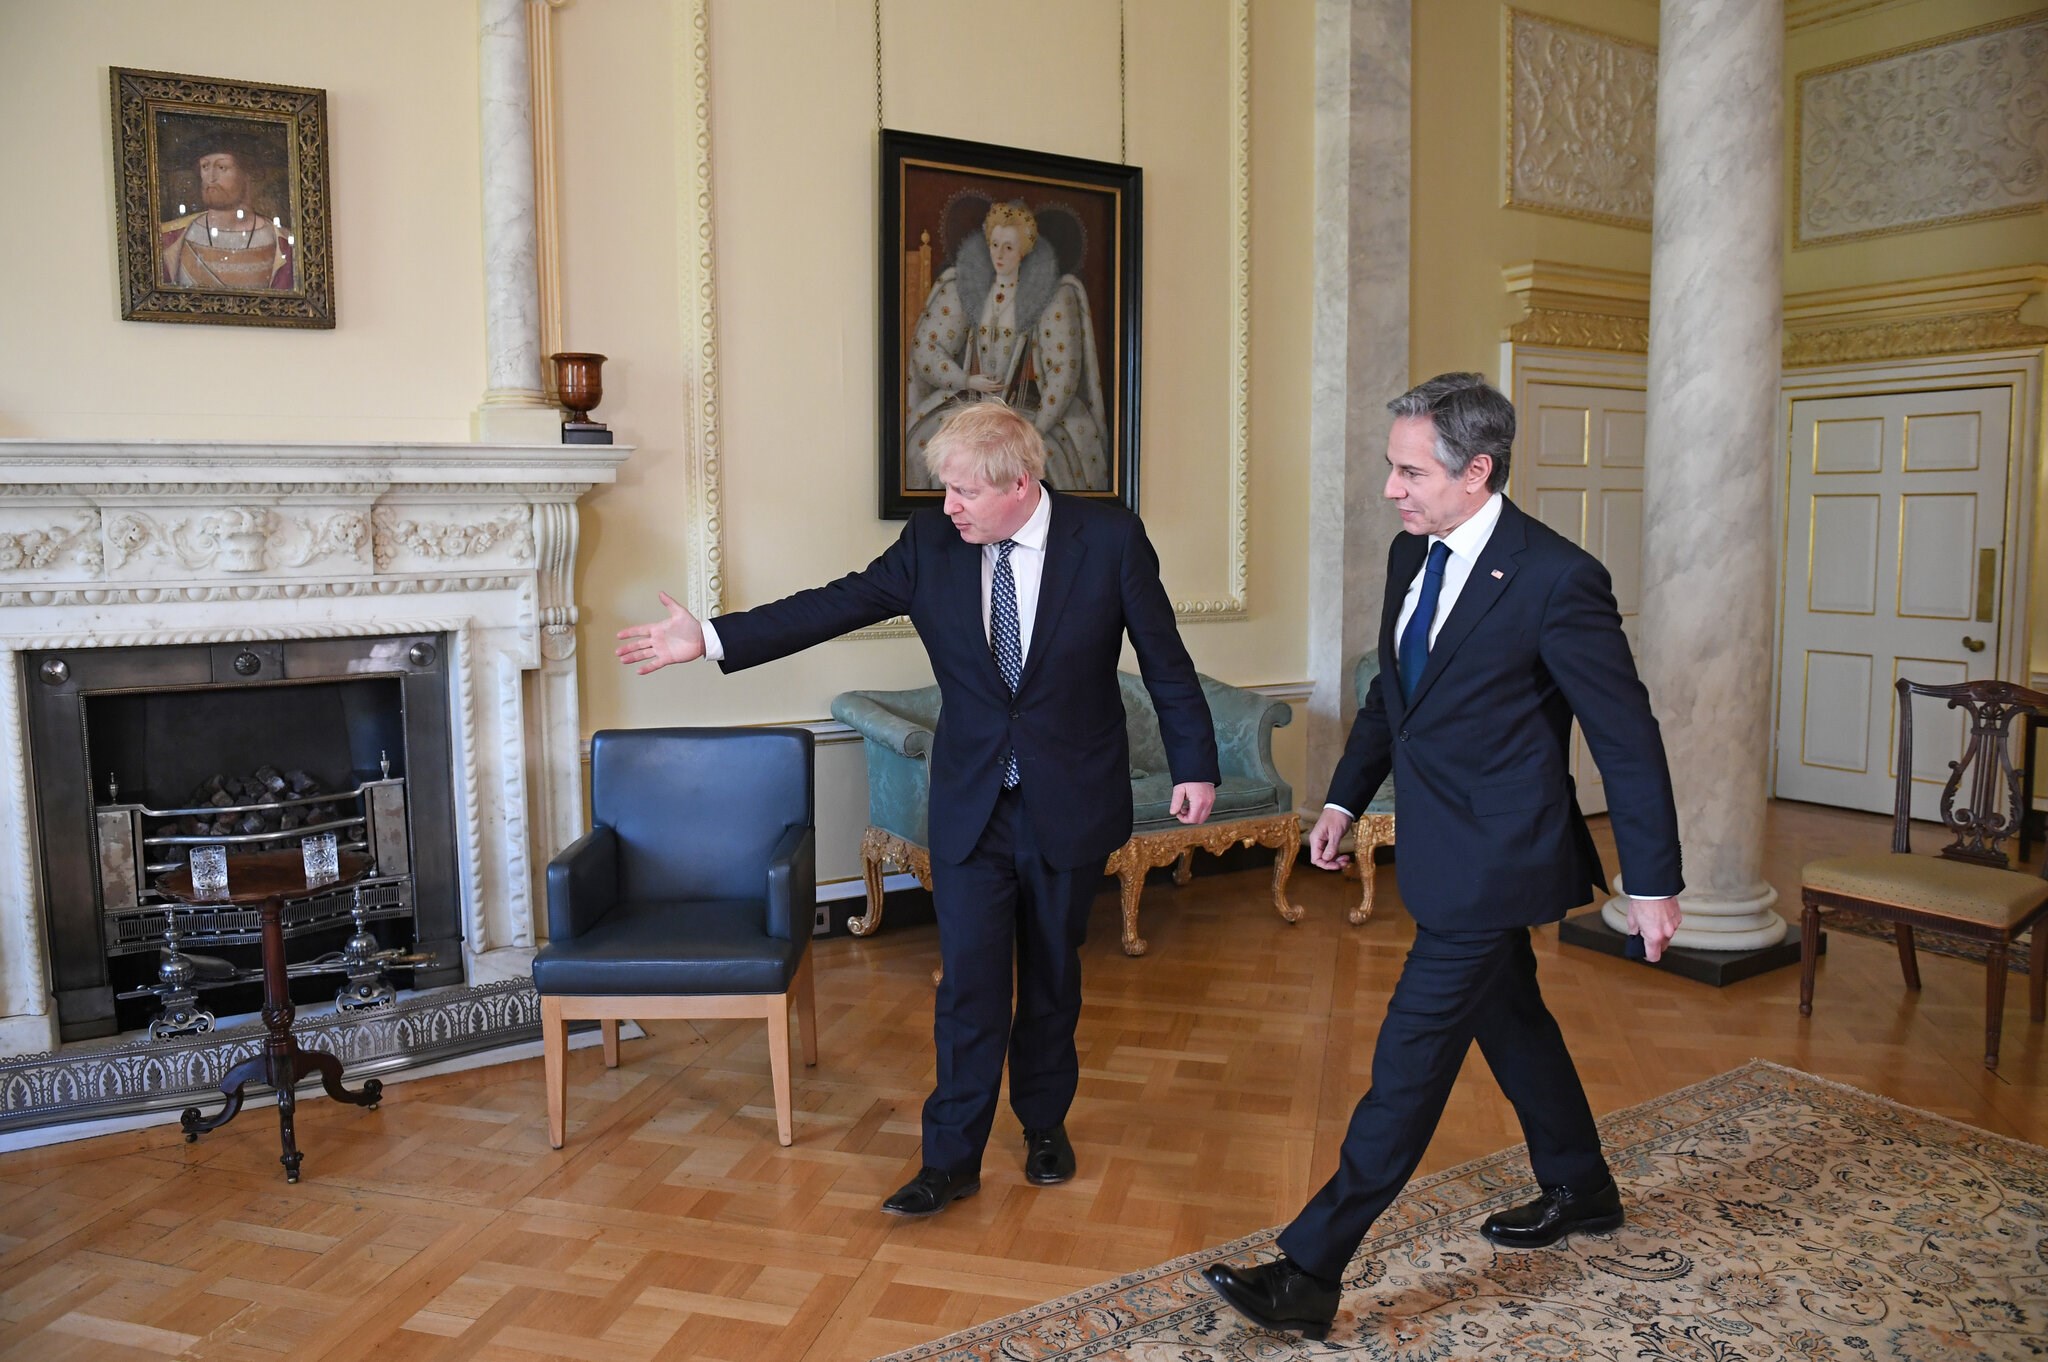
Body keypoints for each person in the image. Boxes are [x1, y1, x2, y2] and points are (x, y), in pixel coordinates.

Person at [616, 400, 1218, 1215]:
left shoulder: (1106, 538)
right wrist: (713, 639)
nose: (950, 508)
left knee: (1051, 975)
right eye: (946, 491)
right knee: (968, 984)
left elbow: (1166, 659)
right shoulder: (933, 544)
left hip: (1069, 800)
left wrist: (1195, 764)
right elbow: (835, 602)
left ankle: (1044, 1124)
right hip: (973, 805)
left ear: (1020, 482)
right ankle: (951, 1160)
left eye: (965, 492)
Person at [1202, 373, 1684, 1340]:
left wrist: (1656, 878)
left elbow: (1625, 734)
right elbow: (1395, 697)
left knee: (1410, 1061)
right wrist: (1343, 795)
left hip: (1501, 855)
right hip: (1438, 838)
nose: (1392, 489)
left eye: (1409, 470)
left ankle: (1309, 1270)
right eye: (1392, 467)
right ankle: (1581, 1186)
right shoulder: (1408, 553)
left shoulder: (1558, 578)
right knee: (1513, 1021)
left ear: (1477, 471)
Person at [905, 200, 1109, 493]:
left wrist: (1036, 428)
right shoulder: (964, 289)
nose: (999, 254)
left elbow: (1063, 373)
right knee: (922, 447)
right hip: (971, 407)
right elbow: (927, 349)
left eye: (1009, 248)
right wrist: (965, 379)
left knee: (1036, 464)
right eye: (994, 244)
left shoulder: (1052, 298)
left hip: (1026, 410)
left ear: (1024, 251)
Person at [158, 134, 294, 291]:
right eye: (205, 167)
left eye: (222, 167)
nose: (211, 178)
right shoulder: (169, 238)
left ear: (248, 174)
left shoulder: (284, 244)